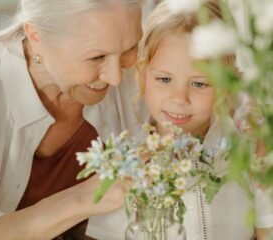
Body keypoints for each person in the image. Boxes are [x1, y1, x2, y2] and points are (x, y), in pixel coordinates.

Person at [0, 0, 151, 239]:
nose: (115, 78)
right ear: (36, 36)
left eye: (129, 49)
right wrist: (85, 197)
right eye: (96, 57)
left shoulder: (137, 74)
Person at [85, 1, 273, 239]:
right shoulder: (125, 160)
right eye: (164, 80)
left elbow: (267, 227)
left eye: (199, 84)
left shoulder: (249, 149)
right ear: (142, 75)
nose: (179, 98)